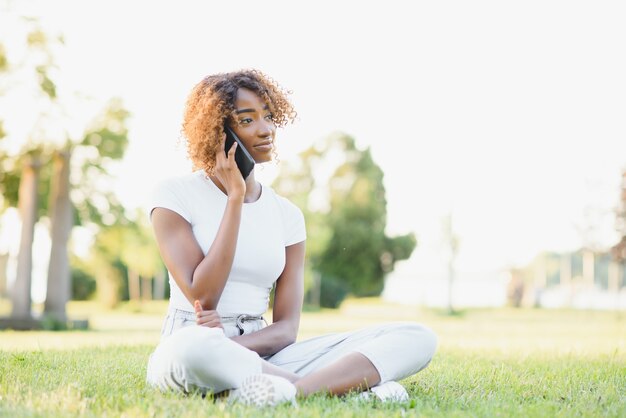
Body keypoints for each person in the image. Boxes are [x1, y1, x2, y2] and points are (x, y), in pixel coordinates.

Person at [146, 69, 437, 406]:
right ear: (218, 131)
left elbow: (286, 330)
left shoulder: (287, 215)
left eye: (268, 116)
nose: (266, 128)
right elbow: (203, 296)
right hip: (195, 345)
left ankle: (292, 391)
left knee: (417, 337)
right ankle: (348, 392)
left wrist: (233, 347)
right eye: (247, 120)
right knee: (193, 349)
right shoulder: (173, 195)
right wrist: (235, 199)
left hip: (267, 351)